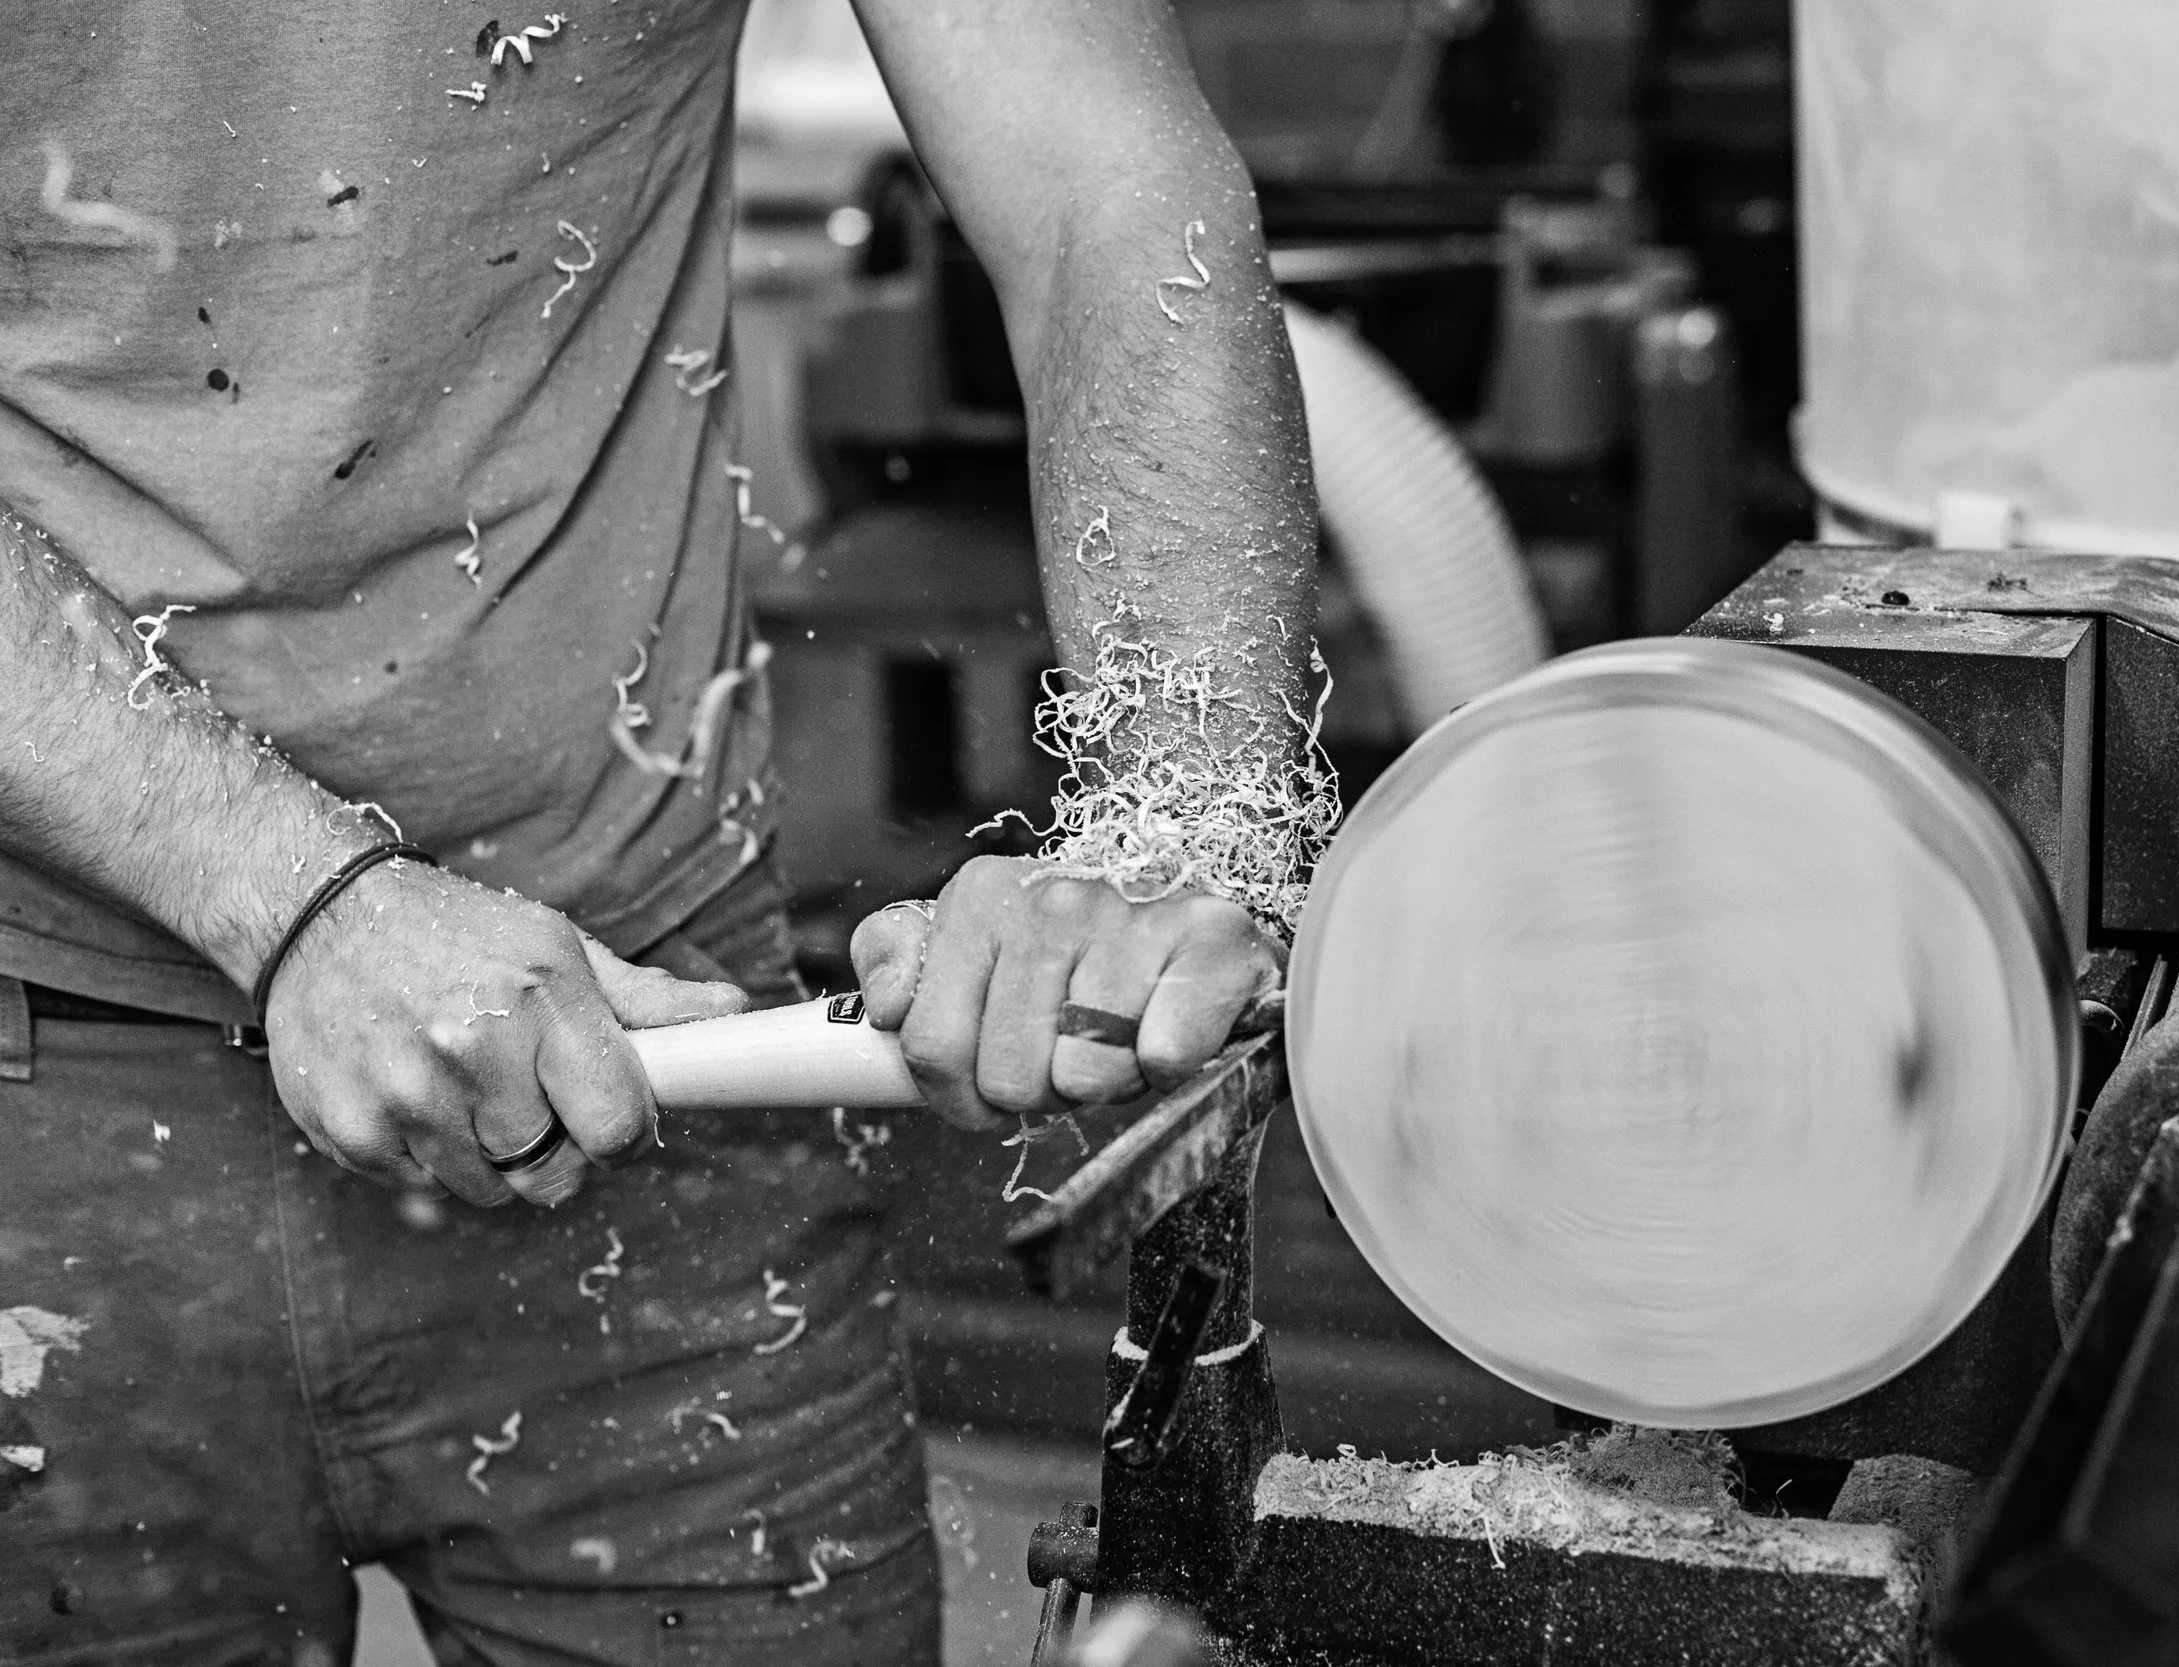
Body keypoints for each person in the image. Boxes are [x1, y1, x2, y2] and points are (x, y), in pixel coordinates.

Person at [0, 0, 1322, 1660]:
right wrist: (295, 896)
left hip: (653, 1038)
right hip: (38, 1097)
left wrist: (1176, 835)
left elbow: (1102, 179)